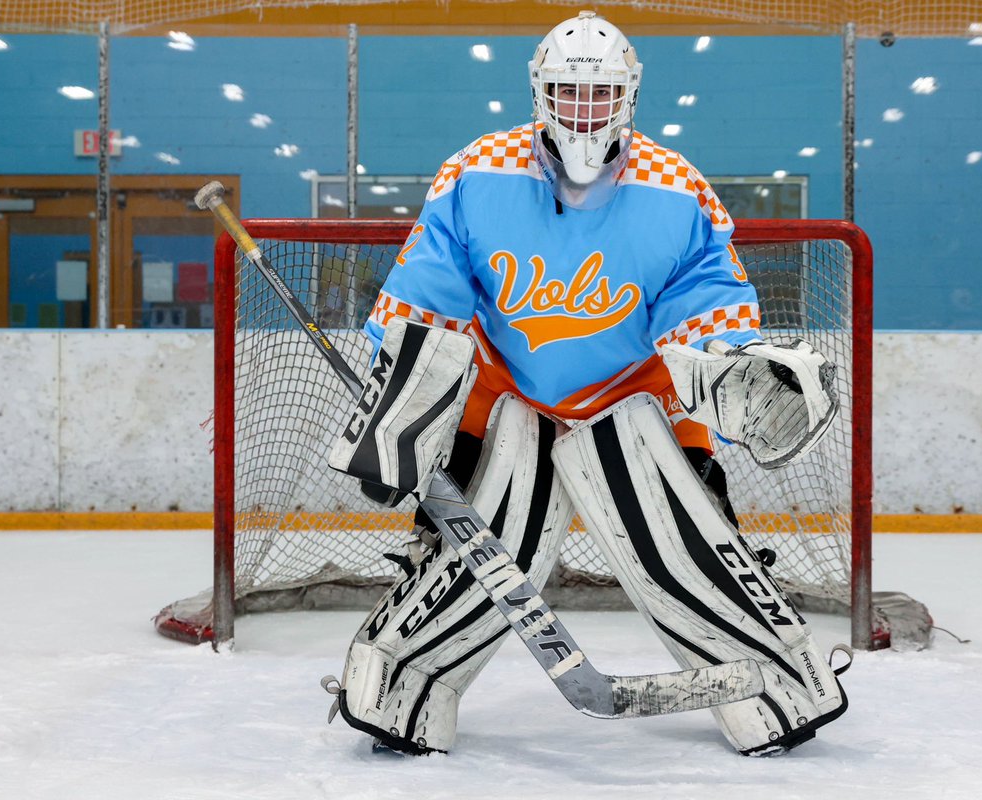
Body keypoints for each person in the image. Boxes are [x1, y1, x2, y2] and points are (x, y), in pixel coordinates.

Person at [325, 11, 848, 756]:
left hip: (642, 401)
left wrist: (731, 357)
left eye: (600, 93)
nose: (584, 109)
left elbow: (703, 294)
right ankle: (404, 681)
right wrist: (395, 389)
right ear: (539, 91)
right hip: (508, 397)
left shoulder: (675, 186)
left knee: (687, 552)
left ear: (630, 96)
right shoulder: (478, 170)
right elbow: (429, 284)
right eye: (569, 90)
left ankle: (777, 688)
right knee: (475, 549)